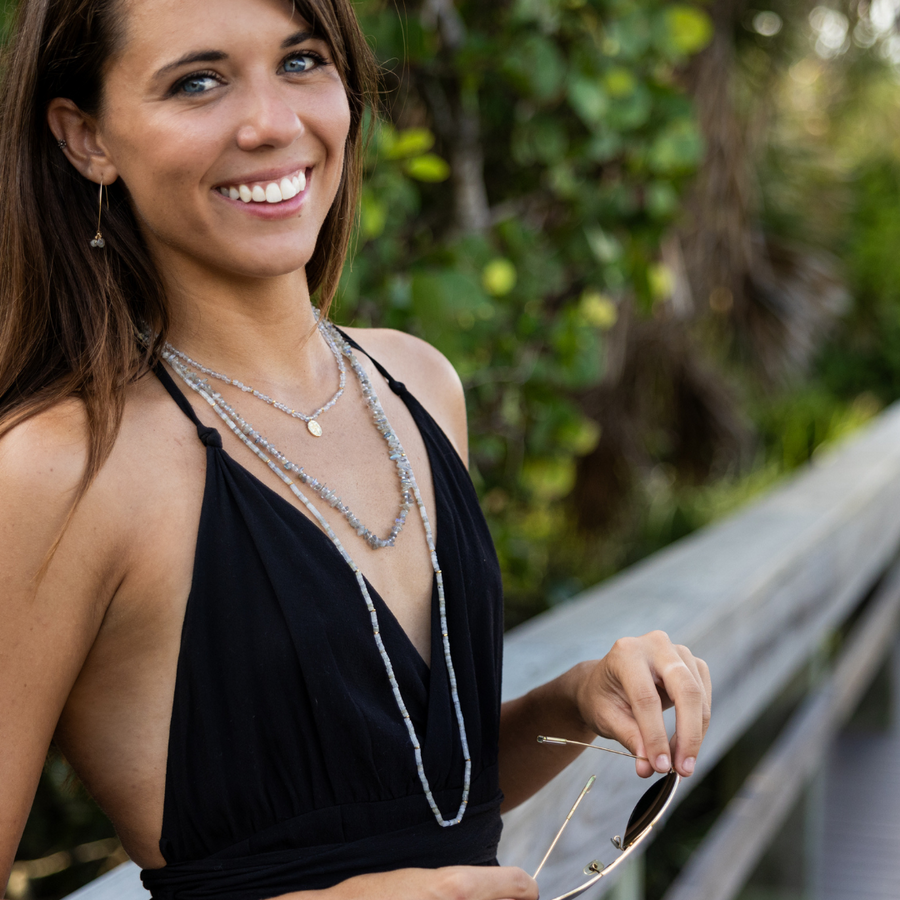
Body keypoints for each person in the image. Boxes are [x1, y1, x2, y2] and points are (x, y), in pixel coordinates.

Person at [0, 0, 712, 898]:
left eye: (302, 62)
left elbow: (411, 796)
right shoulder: (60, 469)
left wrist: (573, 704)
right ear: (85, 137)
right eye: (199, 81)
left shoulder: (417, 385)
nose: (273, 122)